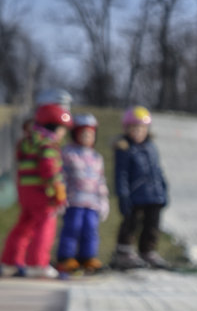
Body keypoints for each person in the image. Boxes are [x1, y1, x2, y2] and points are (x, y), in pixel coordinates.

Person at [1, 103, 71, 278]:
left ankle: (9, 262)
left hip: (26, 192)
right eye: (63, 129)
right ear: (54, 127)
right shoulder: (48, 144)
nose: (63, 134)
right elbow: (49, 169)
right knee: (45, 226)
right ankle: (38, 264)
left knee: (23, 227)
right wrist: (58, 190)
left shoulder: (27, 142)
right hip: (42, 193)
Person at [111, 106, 170, 270]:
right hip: (135, 194)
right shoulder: (124, 148)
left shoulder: (151, 147)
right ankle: (124, 251)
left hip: (154, 194)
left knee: (152, 225)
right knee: (131, 223)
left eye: (141, 129)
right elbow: (121, 174)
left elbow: (158, 170)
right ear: (127, 129)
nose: (138, 132)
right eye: (134, 129)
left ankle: (148, 251)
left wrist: (164, 190)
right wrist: (123, 195)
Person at [56, 114, 109, 274]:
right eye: (83, 134)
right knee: (73, 228)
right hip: (74, 201)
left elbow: (100, 180)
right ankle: (66, 258)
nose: (87, 137)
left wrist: (104, 200)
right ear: (76, 134)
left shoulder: (96, 157)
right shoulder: (68, 153)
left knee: (90, 229)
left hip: (92, 202)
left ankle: (87, 257)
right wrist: (61, 197)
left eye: (90, 135)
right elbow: (62, 176)